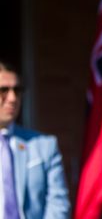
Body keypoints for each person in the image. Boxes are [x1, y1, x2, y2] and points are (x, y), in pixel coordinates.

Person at [0, 60, 70, 218]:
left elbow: (58, 206)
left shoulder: (45, 145)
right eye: (3, 90)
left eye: (17, 90)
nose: (12, 98)